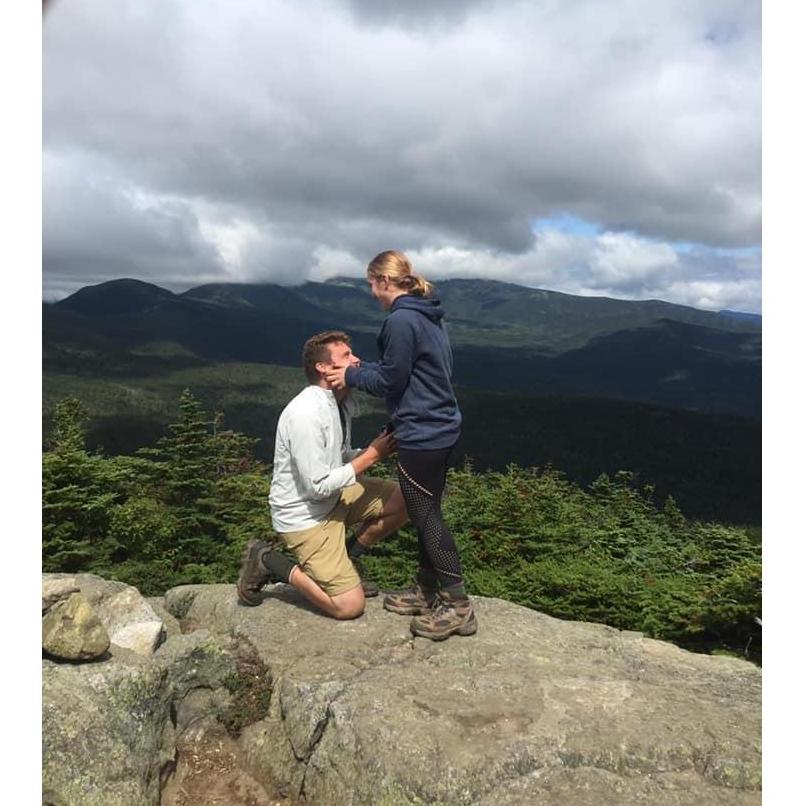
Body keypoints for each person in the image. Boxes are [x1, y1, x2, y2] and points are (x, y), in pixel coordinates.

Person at [325, 250, 477, 640]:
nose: (372, 294)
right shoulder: (427, 314)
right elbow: (409, 373)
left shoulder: (400, 320)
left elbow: (391, 381)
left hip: (421, 434)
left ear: (384, 282)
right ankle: (427, 591)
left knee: (426, 516)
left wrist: (352, 375)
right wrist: (361, 371)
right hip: (440, 425)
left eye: (371, 285)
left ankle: (458, 605)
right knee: (426, 510)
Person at [237, 330, 409, 619]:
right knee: (349, 606)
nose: (357, 360)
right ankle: (267, 560)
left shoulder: (339, 403)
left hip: (333, 499)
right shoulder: (305, 413)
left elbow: (335, 459)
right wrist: (372, 456)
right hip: (306, 519)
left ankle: (347, 563)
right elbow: (317, 485)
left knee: (408, 499)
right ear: (323, 368)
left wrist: (374, 449)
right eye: (346, 356)